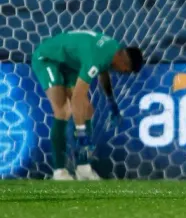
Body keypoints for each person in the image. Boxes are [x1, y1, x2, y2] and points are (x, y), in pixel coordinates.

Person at [31, 30, 144, 180]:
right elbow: (78, 97)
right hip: (49, 59)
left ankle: (83, 169)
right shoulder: (96, 57)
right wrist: (81, 132)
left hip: (69, 62)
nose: (123, 72)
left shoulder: (113, 49)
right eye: (126, 70)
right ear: (123, 61)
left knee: (87, 111)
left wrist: (112, 102)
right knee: (63, 110)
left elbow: (103, 72)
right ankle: (59, 172)